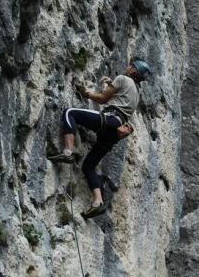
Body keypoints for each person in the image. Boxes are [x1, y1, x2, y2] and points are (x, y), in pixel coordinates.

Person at [47, 59, 152, 218]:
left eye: (130, 66)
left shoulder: (122, 79)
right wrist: (112, 84)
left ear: (133, 71)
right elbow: (119, 97)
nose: (127, 67)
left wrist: (86, 93)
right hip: (115, 133)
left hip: (110, 120)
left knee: (70, 113)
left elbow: (103, 98)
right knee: (88, 166)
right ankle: (98, 202)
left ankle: (68, 151)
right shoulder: (136, 93)